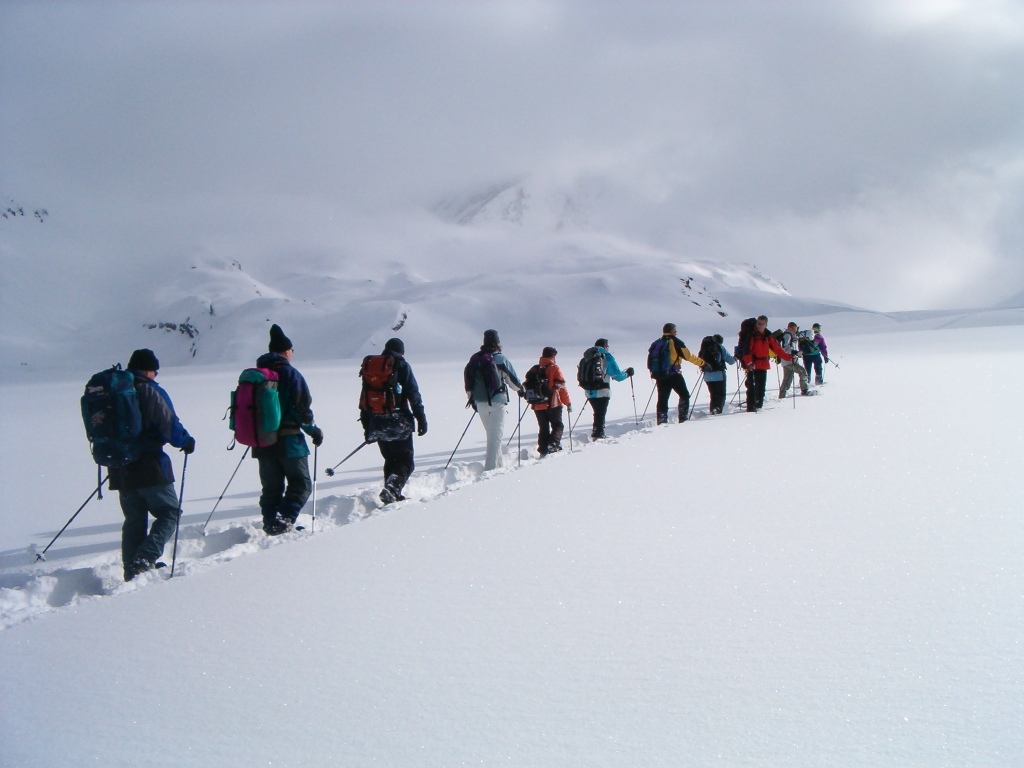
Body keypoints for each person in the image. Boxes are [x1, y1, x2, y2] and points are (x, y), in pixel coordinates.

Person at [109, 348, 195, 581]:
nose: (156, 375)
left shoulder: (115, 390)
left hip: (120, 466)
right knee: (170, 513)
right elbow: (168, 423)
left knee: (134, 520)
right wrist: (185, 440)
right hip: (150, 464)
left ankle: (131, 570)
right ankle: (144, 559)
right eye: (155, 371)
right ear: (148, 370)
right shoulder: (148, 389)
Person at [252, 324, 323, 535]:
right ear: (286, 351)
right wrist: (313, 431)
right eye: (292, 350)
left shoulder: (256, 376)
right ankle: (283, 522)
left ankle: (270, 524)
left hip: (263, 441)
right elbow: (302, 409)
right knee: (301, 484)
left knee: (271, 488)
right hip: (289, 441)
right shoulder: (290, 374)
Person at [360, 338, 427, 505]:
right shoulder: (401, 366)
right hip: (398, 421)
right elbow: (413, 394)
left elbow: (364, 399)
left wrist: (367, 428)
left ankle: (391, 494)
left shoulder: (372, 368)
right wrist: (421, 418)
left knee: (390, 459)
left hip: (376, 421)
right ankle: (391, 490)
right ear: (401, 351)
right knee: (406, 462)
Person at [465, 329, 523, 471]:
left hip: (480, 403)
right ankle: (489, 471)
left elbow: (468, 382)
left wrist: (473, 399)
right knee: (494, 439)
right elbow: (514, 383)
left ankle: (499, 467)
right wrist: (521, 390)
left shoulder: (475, 359)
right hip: (497, 402)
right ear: (497, 343)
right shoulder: (500, 359)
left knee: (493, 437)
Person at [647, 323, 704, 425]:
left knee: (662, 399)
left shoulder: (656, 343)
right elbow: (688, 356)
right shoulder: (676, 342)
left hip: (660, 375)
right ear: (671, 330)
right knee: (684, 395)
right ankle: (683, 419)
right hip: (674, 374)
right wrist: (702, 363)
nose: (676, 331)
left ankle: (662, 420)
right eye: (675, 329)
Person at [580, 338, 633, 439]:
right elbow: (618, 376)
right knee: (600, 413)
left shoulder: (587, 357)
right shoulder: (607, 357)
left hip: (588, 390)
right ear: (605, 346)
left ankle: (597, 432)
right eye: (608, 346)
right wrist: (628, 373)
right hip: (603, 390)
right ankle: (598, 433)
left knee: (597, 412)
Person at [740, 316, 791, 412]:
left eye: (761, 324)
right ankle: (751, 409)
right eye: (758, 323)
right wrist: (749, 363)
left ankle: (758, 407)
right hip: (753, 365)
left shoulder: (768, 336)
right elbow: (747, 351)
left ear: (766, 325)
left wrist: (789, 358)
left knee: (761, 388)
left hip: (763, 365)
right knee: (752, 388)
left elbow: (777, 349)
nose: (759, 326)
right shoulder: (752, 335)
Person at [527, 347, 572, 455]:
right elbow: (561, 387)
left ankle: (543, 449)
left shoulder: (534, 369)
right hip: (553, 403)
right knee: (558, 425)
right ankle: (553, 444)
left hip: (537, 404)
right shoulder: (555, 368)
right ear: (553, 356)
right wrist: (568, 403)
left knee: (543, 427)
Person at [701, 334, 735, 415]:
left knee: (713, 395)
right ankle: (717, 409)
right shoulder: (720, 347)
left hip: (708, 375)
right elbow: (731, 361)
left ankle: (713, 410)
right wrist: (735, 358)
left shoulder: (704, 348)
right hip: (719, 375)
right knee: (721, 394)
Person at [778, 321, 810, 398]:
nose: (796, 329)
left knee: (787, 378)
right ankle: (804, 390)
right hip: (789, 360)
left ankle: (782, 396)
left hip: (788, 360)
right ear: (790, 327)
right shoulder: (787, 335)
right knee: (802, 371)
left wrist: (797, 353)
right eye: (794, 328)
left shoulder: (792, 335)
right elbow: (785, 347)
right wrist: (795, 352)